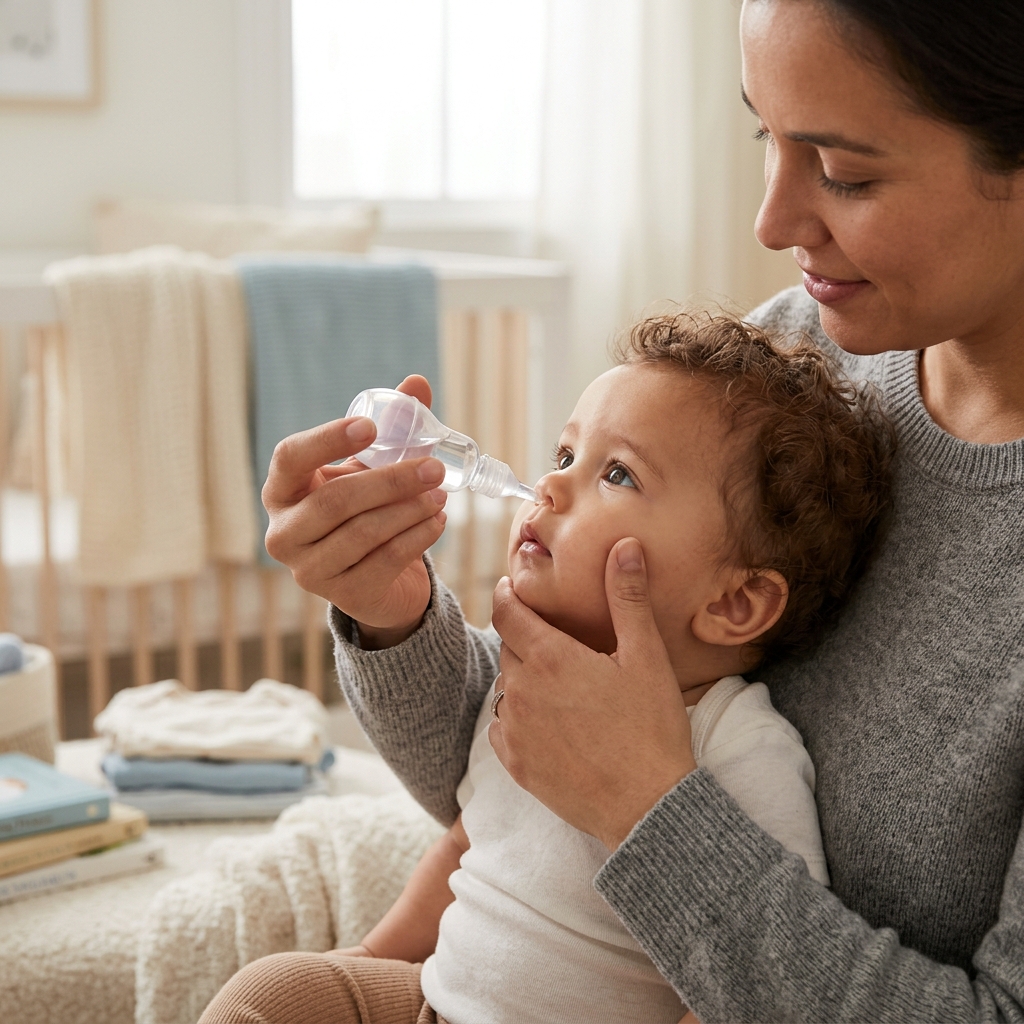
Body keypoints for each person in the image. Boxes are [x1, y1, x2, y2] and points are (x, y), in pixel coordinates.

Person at [210, 0, 1024, 1020]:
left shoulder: (778, 466)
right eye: (764, 135)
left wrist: (646, 807)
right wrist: (392, 617)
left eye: (845, 172)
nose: (768, 225)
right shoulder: (793, 363)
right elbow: (509, 784)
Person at [201, 314, 892, 1023]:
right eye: (564, 456)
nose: (547, 487)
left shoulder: (738, 747)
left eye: (617, 473)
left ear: (737, 601)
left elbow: (754, 967)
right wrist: (373, 959)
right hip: (435, 1006)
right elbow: (473, 837)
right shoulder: (528, 686)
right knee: (273, 992)